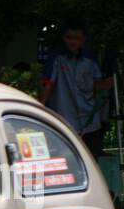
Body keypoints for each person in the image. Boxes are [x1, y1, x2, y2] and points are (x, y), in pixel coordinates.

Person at [39, 23, 113, 157]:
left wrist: (106, 84)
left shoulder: (90, 59)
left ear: (83, 39)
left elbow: (97, 85)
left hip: (90, 121)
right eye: (69, 37)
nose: (72, 41)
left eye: (76, 38)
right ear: (63, 38)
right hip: (64, 121)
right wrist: (40, 108)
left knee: (91, 159)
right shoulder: (56, 58)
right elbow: (48, 85)